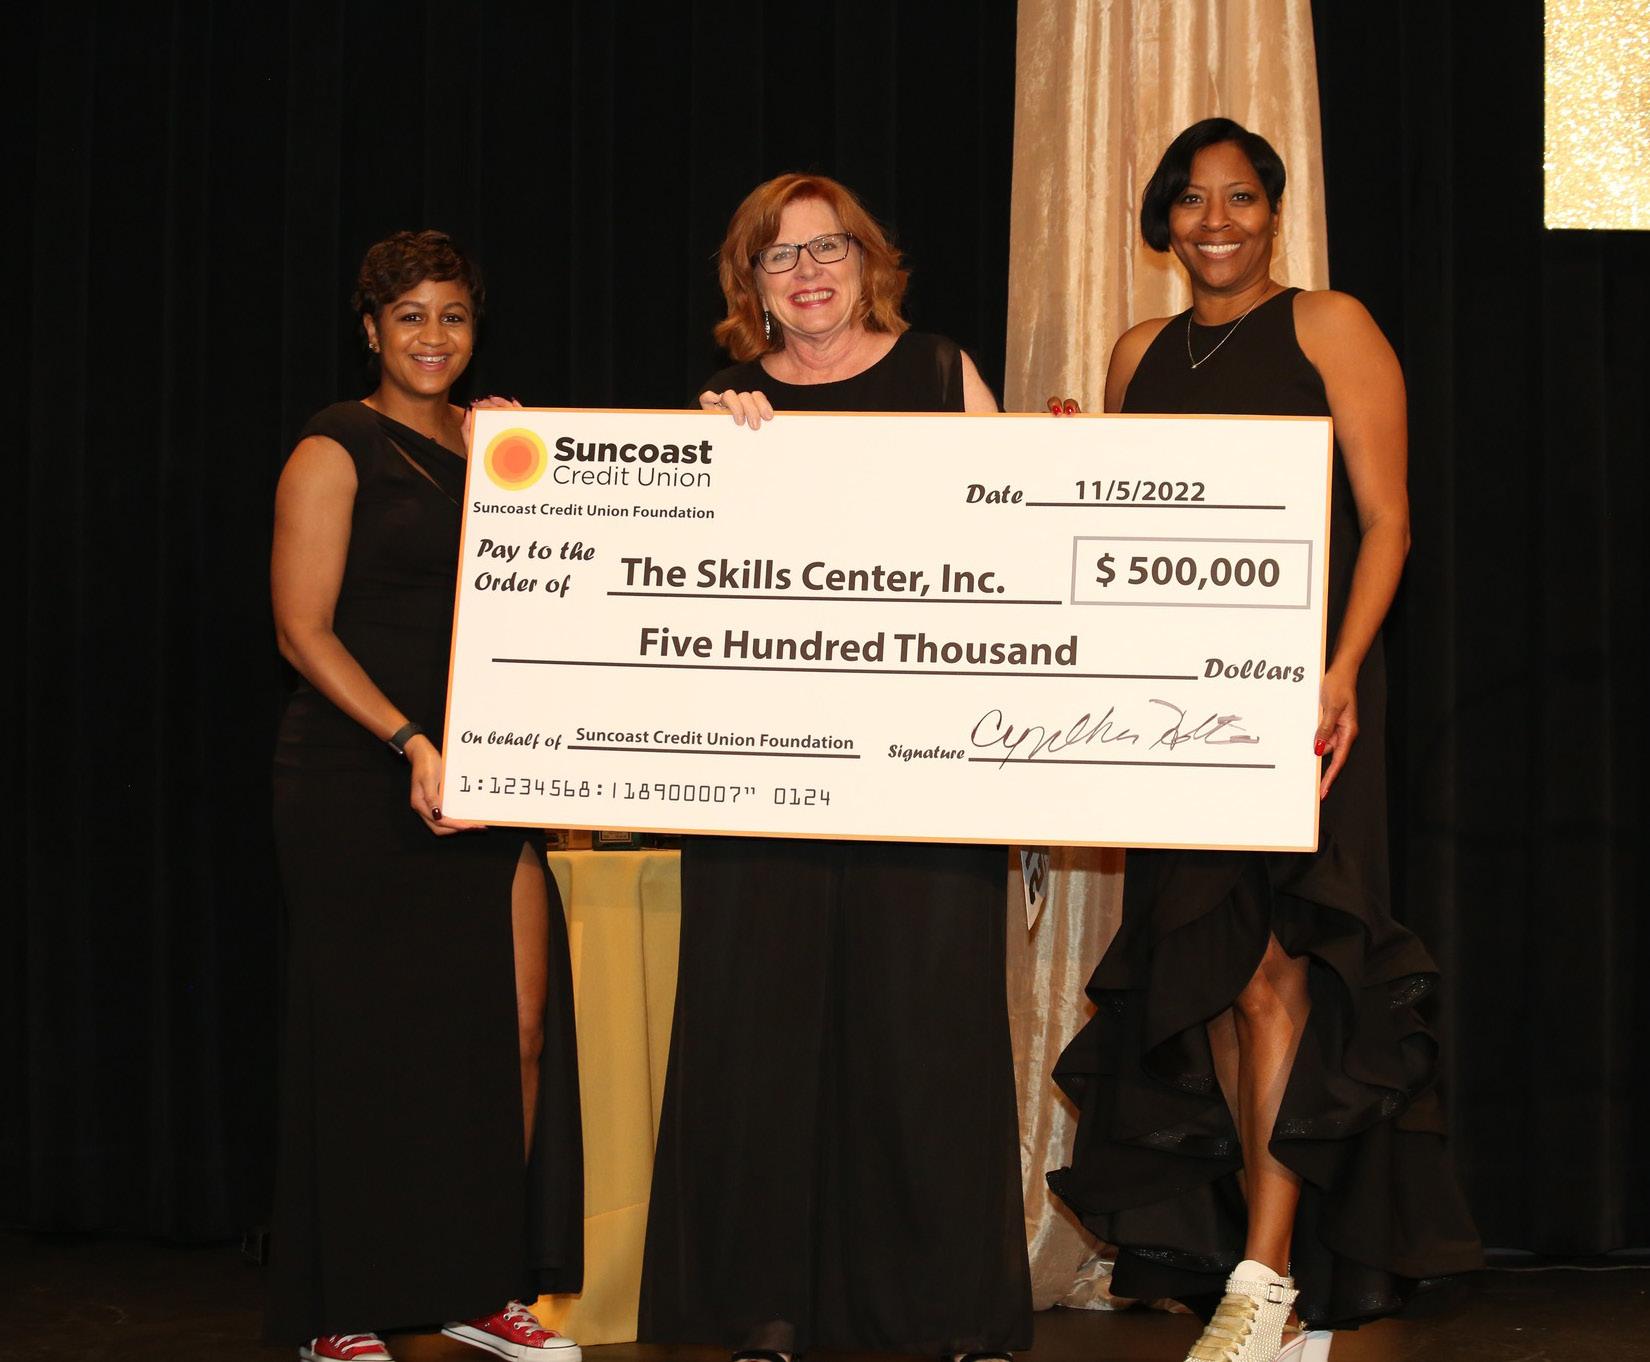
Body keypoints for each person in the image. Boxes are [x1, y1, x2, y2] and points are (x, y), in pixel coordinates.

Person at [1046, 120, 1480, 1362]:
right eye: (1193, 199)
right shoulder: (1140, 352)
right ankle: (1264, 1265)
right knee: (1219, 988)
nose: (1217, 220)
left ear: (1273, 214)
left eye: (1241, 197)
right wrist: (1066, 465)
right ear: (1164, 221)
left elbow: (1388, 522)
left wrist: (1339, 671)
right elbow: (1125, 532)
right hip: (1179, 710)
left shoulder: (1329, 325)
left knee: (1279, 966)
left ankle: (1268, 1275)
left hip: (1304, 701)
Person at [637, 174, 1033, 1362]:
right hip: (762, 785)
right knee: (758, 1039)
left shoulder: (943, 373)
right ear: (750, 284)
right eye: (779, 256)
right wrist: (705, 459)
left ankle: (946, 1316)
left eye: (829, 249)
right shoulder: (723, 408)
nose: (807, 273)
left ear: (870, 263)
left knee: (925, 1038)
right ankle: (764, 1313)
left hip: (921, 774)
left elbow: (1015, 544)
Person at [267, 230, 583, 1362]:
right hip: (359, 775)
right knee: (369, 1046)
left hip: (485, 779)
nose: (433, 336)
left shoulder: (500, 443)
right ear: (371, 329)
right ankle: (339, 1309)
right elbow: (301, 630)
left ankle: (477, 1284)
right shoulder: (332, 446)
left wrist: (533, 460)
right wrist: (409, 741)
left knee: (515, 1031)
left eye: (452, 314)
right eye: (410, 316)